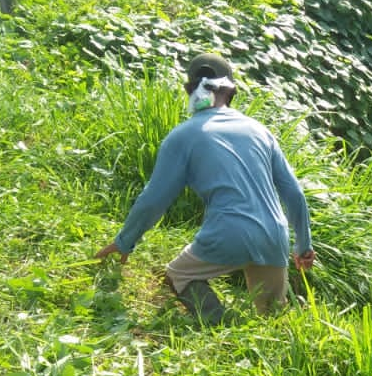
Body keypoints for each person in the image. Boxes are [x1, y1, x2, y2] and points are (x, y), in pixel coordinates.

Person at [95, 53, 316, 326]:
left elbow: (154, 199)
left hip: (228, 232)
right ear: (230, 91)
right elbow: (293, 193)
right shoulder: (259, 131)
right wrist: (303, 246)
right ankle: (259, 350)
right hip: (274, 234)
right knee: (271, 319)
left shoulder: (183, 135)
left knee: (179, 275)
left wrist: (125, 240)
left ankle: (225, 330)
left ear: (190, 90)